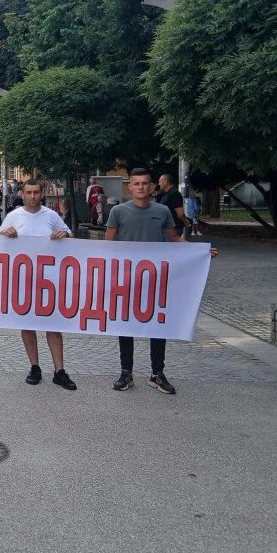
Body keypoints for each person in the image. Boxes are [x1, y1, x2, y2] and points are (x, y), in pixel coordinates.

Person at [106, 168, 218, 394]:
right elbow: (108, 245)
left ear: (152, 187)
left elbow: (174, 239)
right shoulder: (118, 211)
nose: (140, 187)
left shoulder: (162, 210)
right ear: (130, 187)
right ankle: (126, 372)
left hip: (156, 278)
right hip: (128, 279)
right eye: (136, 183)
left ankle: (157, 373)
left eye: (144, 183)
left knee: (158, 325)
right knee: (125, 325)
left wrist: (200, 251)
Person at [0, 179, 76, 390]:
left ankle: (59, 370)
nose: (33, 196)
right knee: (28, 324)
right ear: (22, 194)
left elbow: (70, 234)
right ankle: (35, 367)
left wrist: (65, 234)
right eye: (29, 192)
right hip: (23, 278)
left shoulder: (51, 216)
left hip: (49, 278)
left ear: (41, 194)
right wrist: (5, 234)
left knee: (53, 325)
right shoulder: (13, 216)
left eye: (36, 192)